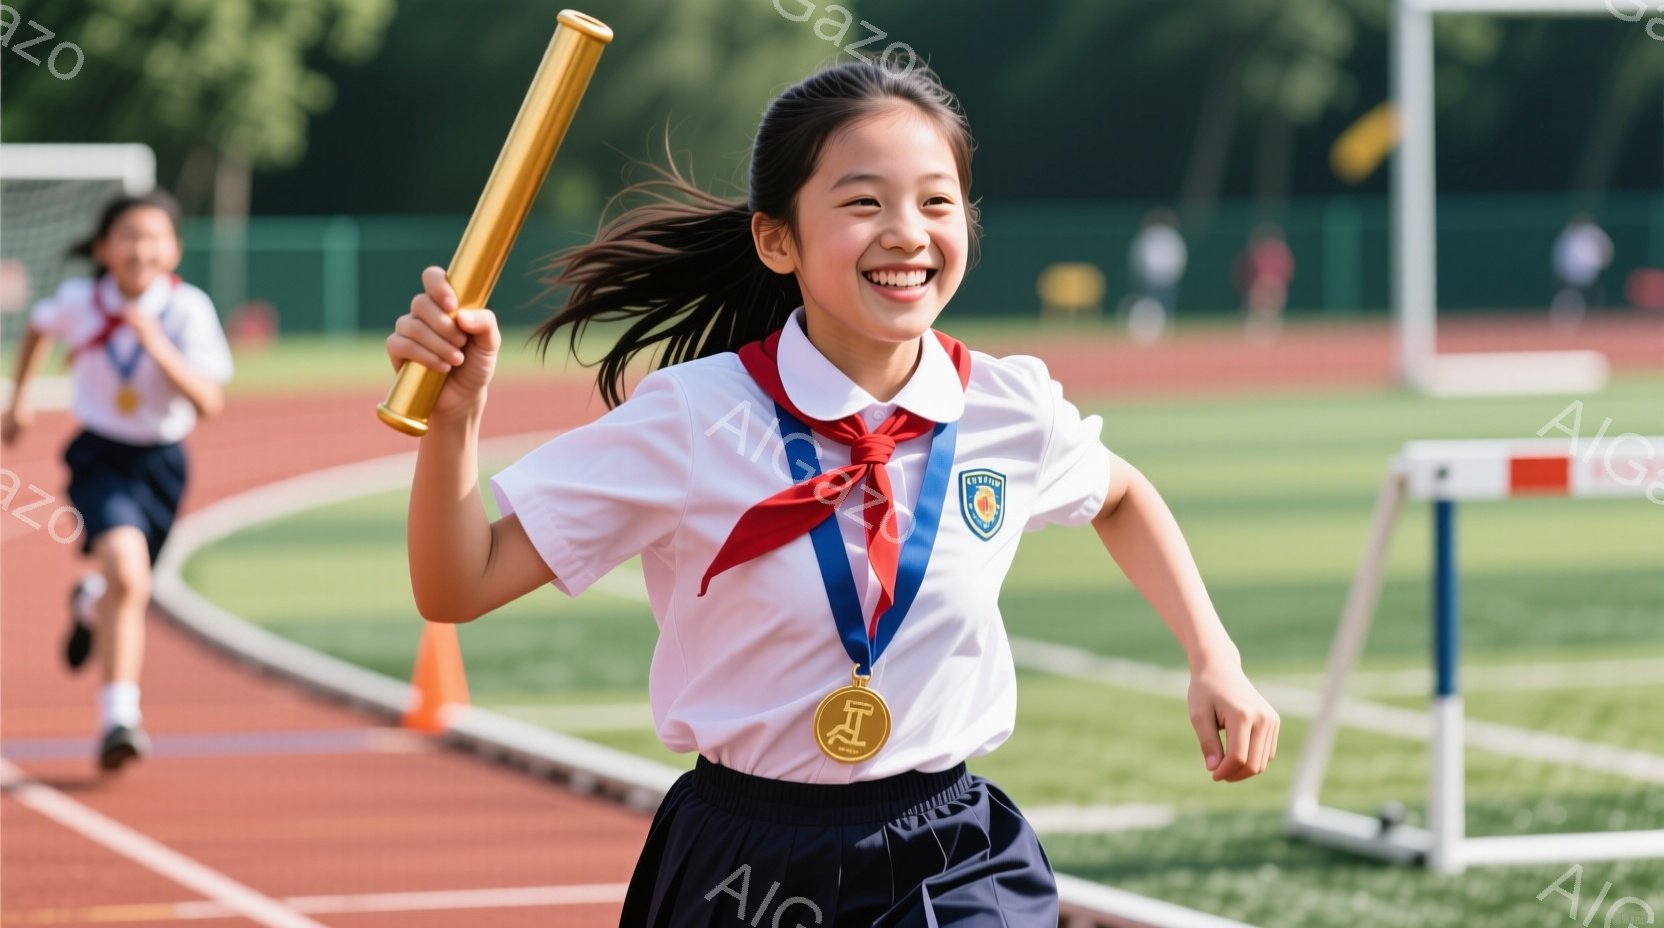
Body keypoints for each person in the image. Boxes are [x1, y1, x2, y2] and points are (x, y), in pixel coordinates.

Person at [386, 61, 1278, 926]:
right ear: (778, 239)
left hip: (956, 848)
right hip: (747, 861)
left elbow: (1120, 496)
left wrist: (1214, 656)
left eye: (936, 201)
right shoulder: (695, 419)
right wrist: (456, 417)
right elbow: (458, 584)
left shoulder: (1010, 409)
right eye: (863, 203)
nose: (906, 232)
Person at [1, 190, 233, 773]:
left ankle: (89, 605)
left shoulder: (188, 310)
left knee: (129, 586)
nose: (141, 248)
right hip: (100, 459)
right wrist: (19, 400)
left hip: (162, 464)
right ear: (104, 247)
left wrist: (155, 342)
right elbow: (37, 327)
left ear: (175, 248)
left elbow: (208, 400)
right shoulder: (82, 300)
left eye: (155, 236)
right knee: (130, 573)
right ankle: (119, 720)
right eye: (128, 235)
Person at [1125, 208, 1187, 344]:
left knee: (1165, 305)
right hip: (1153, 278)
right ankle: (1147, 330)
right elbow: (1141, 256)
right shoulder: (1150, 236)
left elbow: (1178, 256)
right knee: (1149, 305)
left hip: (1166, 277)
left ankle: (1164, 330)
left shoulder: (1170, 236)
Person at [1550, 213, 1613, 330]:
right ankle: (1566, 321)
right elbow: (1561, 255)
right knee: (1571, 298)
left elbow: (1605, 248)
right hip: (1572, 276)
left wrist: (1602, 262)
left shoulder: (1593, 233)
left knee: (1593, 300)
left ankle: (1593, 323)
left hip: (1591, 275)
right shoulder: (1569, 235)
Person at [1235, 223, 1294, 343]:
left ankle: (1270, 326)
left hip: (1274, 284)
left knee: (1271, 297)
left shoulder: (1281, 252)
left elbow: (1286, 271)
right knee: (1259, 298)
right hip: (1260, 285)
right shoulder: (1255, 252)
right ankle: (1256, 326)